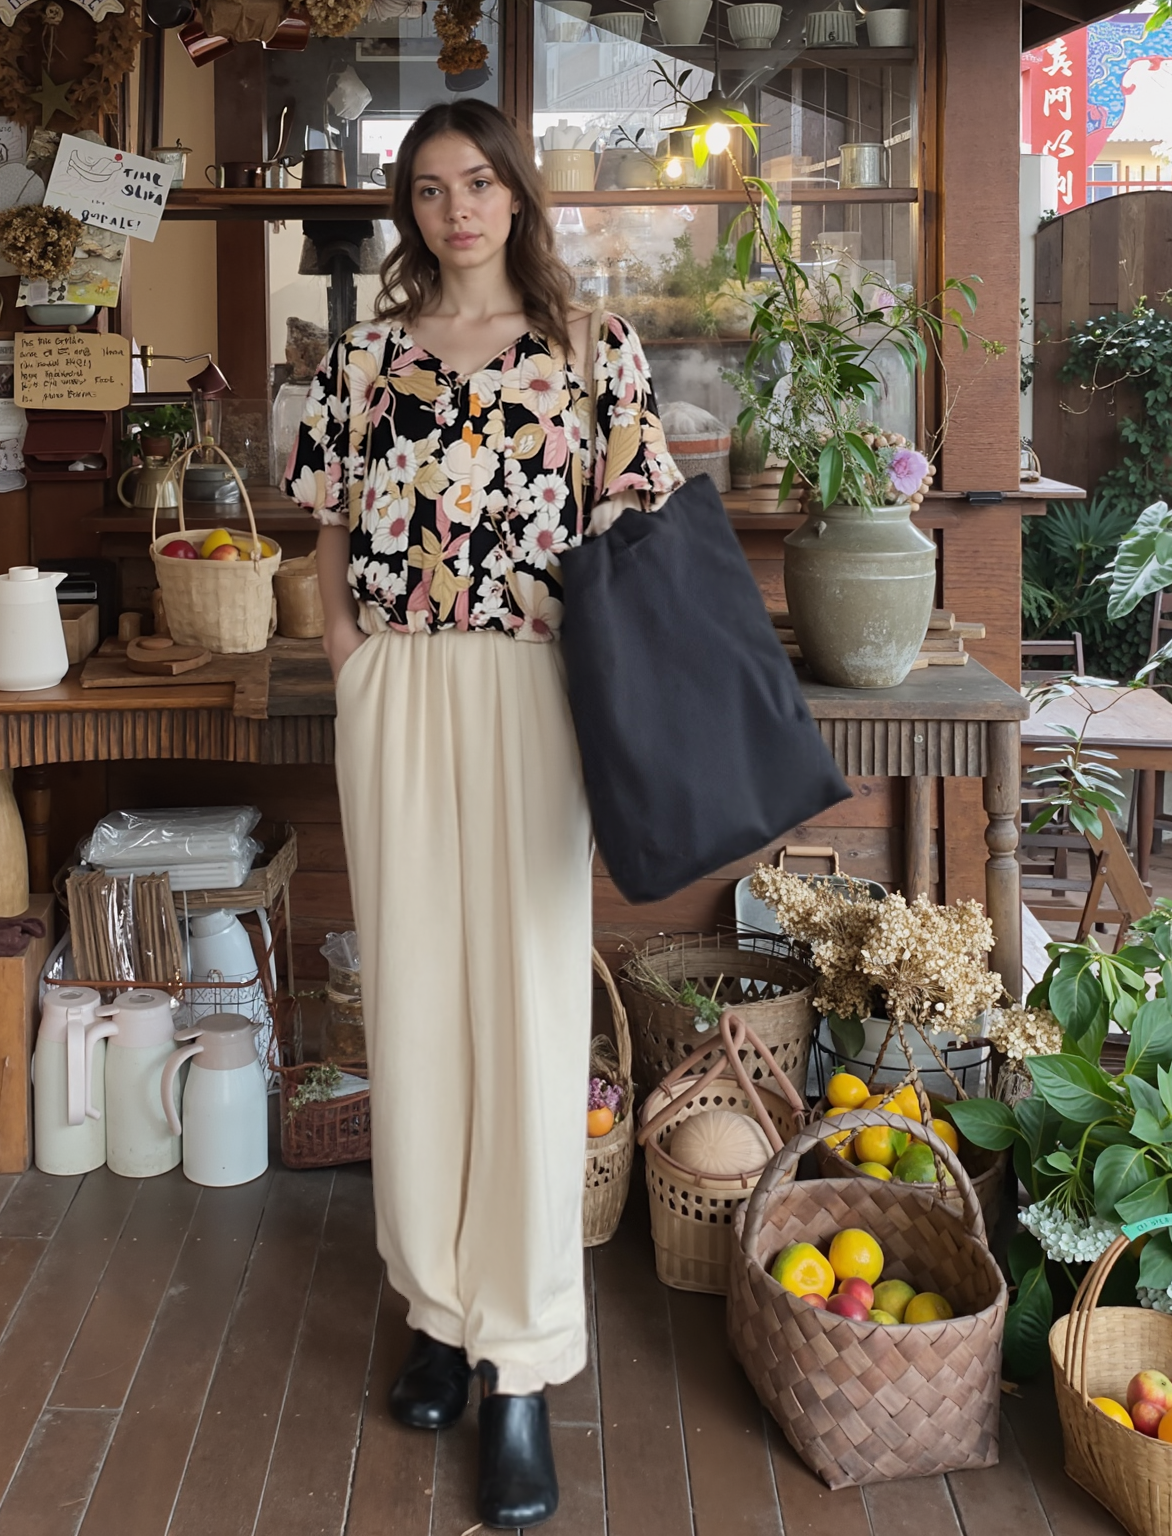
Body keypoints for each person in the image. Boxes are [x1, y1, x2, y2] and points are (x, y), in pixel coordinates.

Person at [282, 99, 681, 1530]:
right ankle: (437, 1308)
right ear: (411, 208)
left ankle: (521, 1362)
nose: (458, 208)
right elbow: (324, 530)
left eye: (481, 182)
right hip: (396, 692)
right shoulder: (366, 357)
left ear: (517, 195)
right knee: (415, 1008)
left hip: (531, 696)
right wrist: (351, 665)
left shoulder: (589, 351)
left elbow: (643, 535)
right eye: (431, 188)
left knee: (520, 1009)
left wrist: (560, 627)